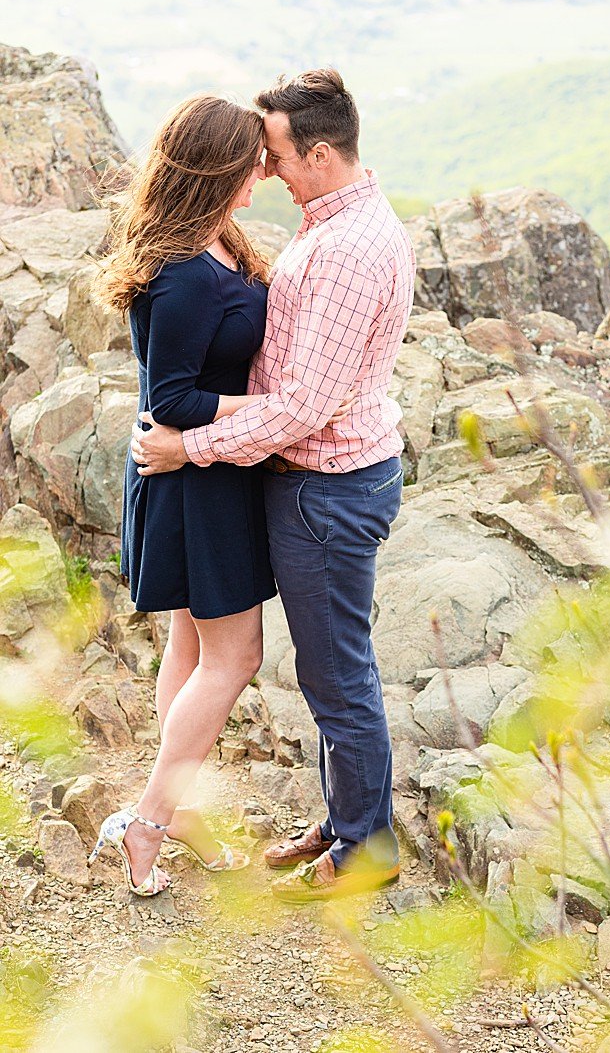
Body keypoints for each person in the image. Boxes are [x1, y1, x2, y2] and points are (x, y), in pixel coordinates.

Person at [131, 69, 415, 903]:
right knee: (304, 666)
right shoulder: (324, 223)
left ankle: (364, 845)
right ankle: (342, 822)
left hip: (326, 487)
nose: (269, 171)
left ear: (320, 155)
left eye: (279, 156)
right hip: (286, 479)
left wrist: (196, 446)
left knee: (337, 675)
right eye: (256, 159)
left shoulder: (352, 248)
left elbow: (299, 407)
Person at [89, 95, 276, 897]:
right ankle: (149, 818)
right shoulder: (186, 275)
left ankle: (180, 811)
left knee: (192, 649)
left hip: (203, 478)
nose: (264, 172)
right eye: (253, 161)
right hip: (196, 484)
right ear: (216, 170)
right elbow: (172, 400)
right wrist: (275, 408)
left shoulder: (214, 242)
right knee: (237, 654)